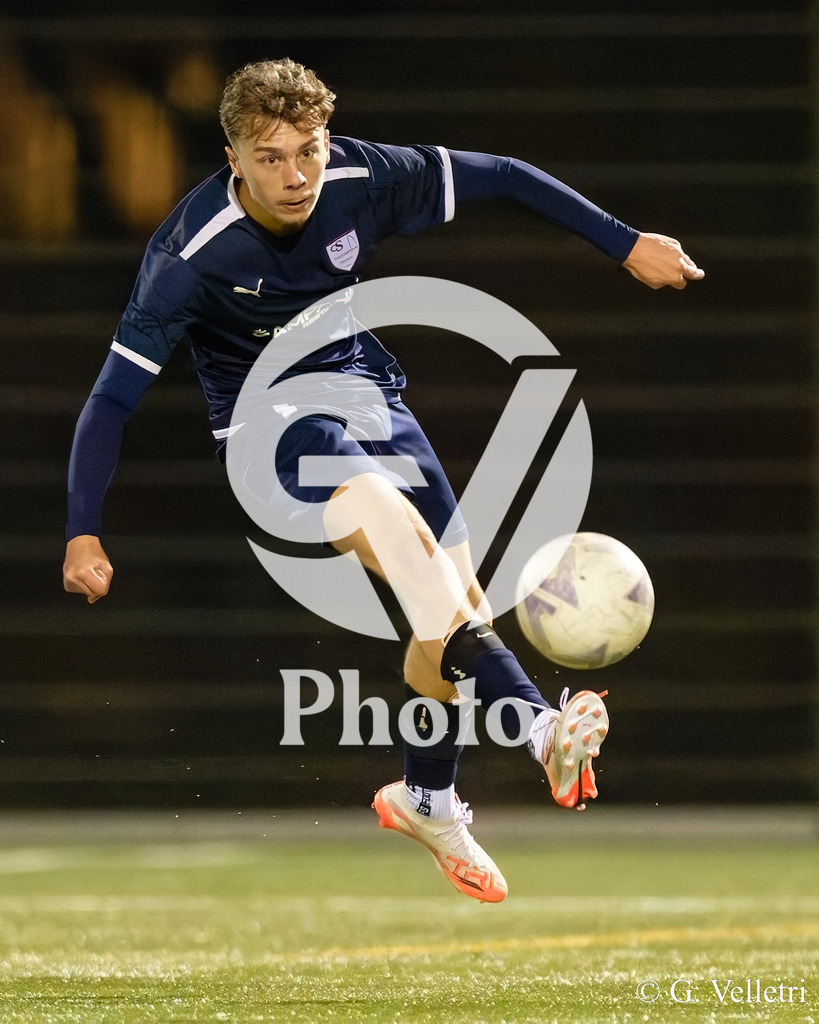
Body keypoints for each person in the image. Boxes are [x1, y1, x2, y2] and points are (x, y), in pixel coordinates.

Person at [63, 59, 704, 904]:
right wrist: (83, 526)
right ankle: (539, 727)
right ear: (232, 159)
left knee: (450, 606)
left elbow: (505, 178)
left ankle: (426, 799)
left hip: (368, 400)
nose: (295, 176)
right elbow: (112, 394)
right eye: (270, 157)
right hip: (268, 428)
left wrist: (623, 242)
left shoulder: (366, 177)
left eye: (309, 151)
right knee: (393, 527)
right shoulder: (189, 254)